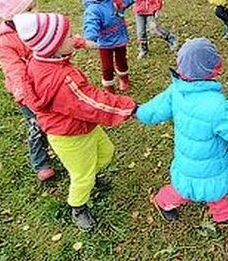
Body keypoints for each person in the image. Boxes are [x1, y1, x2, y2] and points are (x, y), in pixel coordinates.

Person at [136, 37, 228, 227]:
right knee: (193, 189)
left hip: (189, 156)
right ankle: (162, 201)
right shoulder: (215, 106)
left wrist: (139, 111)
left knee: (209, 186)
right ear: (209, 70)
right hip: (209, 158)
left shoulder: (177, 90)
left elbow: (154, 109)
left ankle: (222, 215)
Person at [14, 12, 137, 230]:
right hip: (70, 136)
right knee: (82, 176)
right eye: (69, 36)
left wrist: (79, 42)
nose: (74, 38)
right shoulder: (63, 80)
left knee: (105, 152)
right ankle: (78, 207)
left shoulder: (41, 59)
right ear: (54, 45)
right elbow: (92, 103)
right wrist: (129, 107)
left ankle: (93, 175)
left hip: (82, 127)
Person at [0, 0, 55, 182]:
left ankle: (61, 148)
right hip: (26, 90)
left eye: (34, 8)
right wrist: (23, 93)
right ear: (12, 16)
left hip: (45, 81)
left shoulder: (37, 24)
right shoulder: (4, 40)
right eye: (29, 10)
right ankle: (40, 162)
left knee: (54, 119)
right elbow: (13, 68)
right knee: (36, 124)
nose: (35, 13)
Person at [82, 0, 134, 93]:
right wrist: (90, 37)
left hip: (120, 38)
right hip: (104, 41)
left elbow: (126, 1)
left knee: (122, 61)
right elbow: (91, 23)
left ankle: (124, 78)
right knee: (107, 67)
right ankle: (109, 87)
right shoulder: (93, 8)